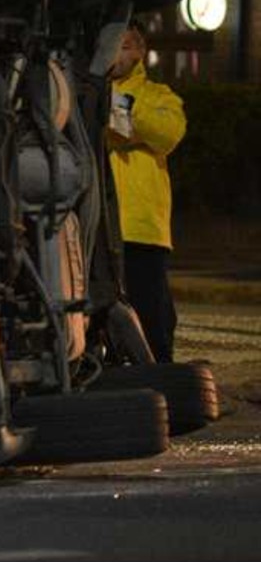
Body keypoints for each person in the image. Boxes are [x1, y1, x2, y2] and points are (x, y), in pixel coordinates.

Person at [107, 19, 187, 363]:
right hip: (100, 227)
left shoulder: (159, 95)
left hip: (142, 228)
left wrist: (118, 103)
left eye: (124, 46)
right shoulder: (87, 91)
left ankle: (162, 383)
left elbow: (166, 133)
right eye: (112, 46)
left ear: (140, 52)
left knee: (152, 314)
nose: (117, 55)